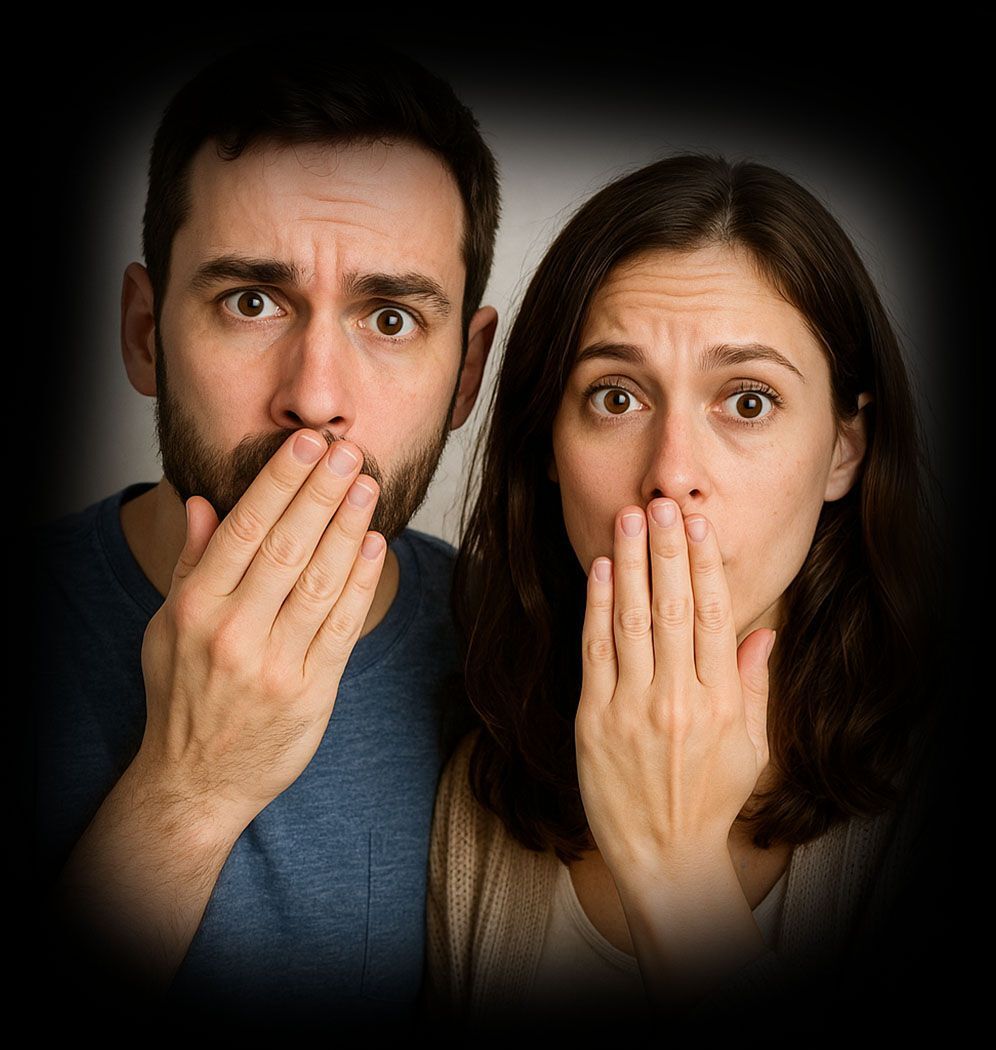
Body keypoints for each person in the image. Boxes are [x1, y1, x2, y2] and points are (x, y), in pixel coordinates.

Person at [33, 42, 499, 1028]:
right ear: (144, 332)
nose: (315, 398)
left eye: (390, 318)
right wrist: (188, 790)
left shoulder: (515, 665)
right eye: (252, 302)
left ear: (466, 376)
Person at [426, 154, 946, 1026]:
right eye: (616, 397)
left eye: (748, 401)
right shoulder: (477, 792)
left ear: (844, 450)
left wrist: (677, 875)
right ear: (548, 450)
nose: (671, 475)